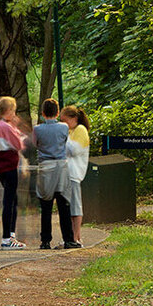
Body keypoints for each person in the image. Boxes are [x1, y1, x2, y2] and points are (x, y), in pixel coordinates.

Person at [32, 98, 78, 249]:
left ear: (43, 113)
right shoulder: (64, 127)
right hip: (61, 168)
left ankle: (45, 241)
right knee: (64, 204)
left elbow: (35, 144)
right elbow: (66, 142)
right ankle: (69, 239)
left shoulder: (37, 129)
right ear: (58, 112)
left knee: (46, 206)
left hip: (45, 167)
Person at [0, 96, 27, 249]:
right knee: (10, 202)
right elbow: (19, 144)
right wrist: (16, 128)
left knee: (12, 200)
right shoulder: (5, 126)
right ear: (8, 110)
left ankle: (11, 236)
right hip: (9, 166)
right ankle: (7, 238)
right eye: (13, 111)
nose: (14, 114)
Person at [60, 105, 90, 244]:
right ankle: (72, 236)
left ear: (74, 118)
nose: (63, 124)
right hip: (66, 173)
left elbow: (74, 150)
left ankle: (76, 237)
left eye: (65, 121)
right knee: (69, 206)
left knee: (75, 206)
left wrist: (62, 138)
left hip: (74, 173)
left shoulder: (80, 130)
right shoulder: (71, 131)